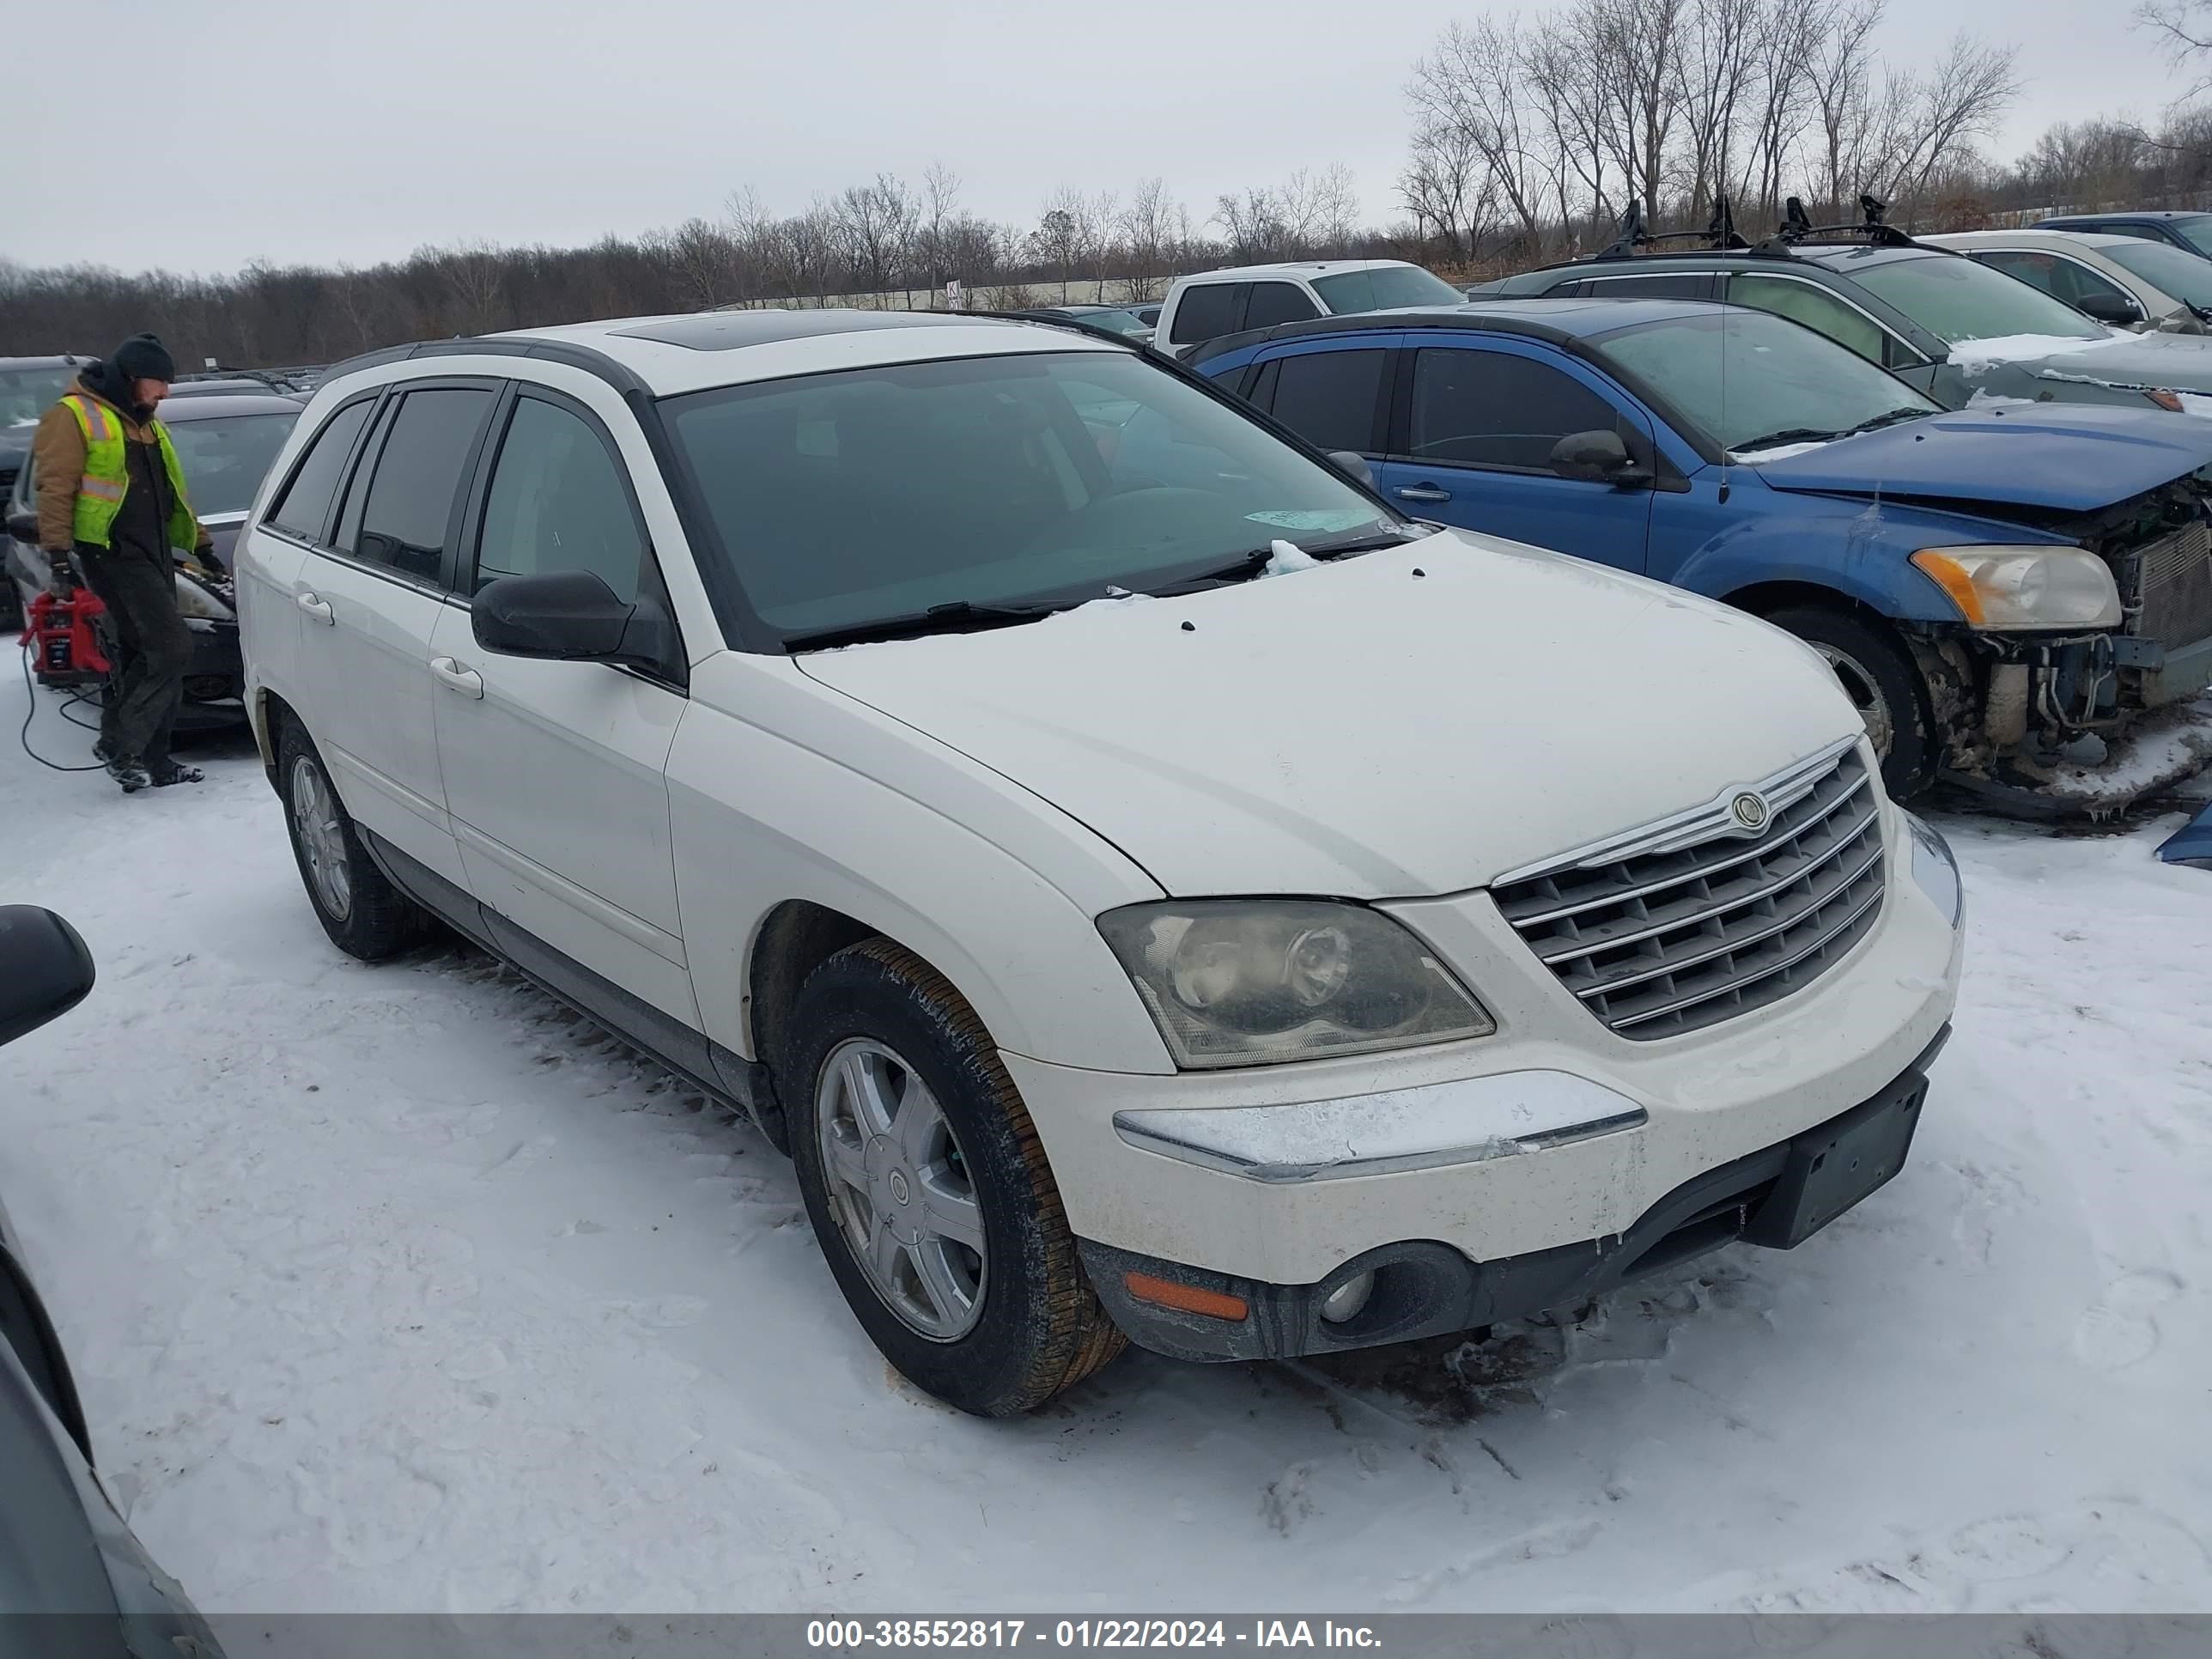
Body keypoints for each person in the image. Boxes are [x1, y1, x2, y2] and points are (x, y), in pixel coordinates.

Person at [31, 333, 222, 793]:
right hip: (110, 552)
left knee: (145, 652)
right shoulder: (74, 416)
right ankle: (121, 745)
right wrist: (57, 556)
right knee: (171, 646)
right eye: (160, 383)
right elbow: (54, 488)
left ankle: (156, 760)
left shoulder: (147, 422)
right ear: (133, 378)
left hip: (153, 549)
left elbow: (176, 493)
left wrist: (201, 545)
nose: (165, 393)